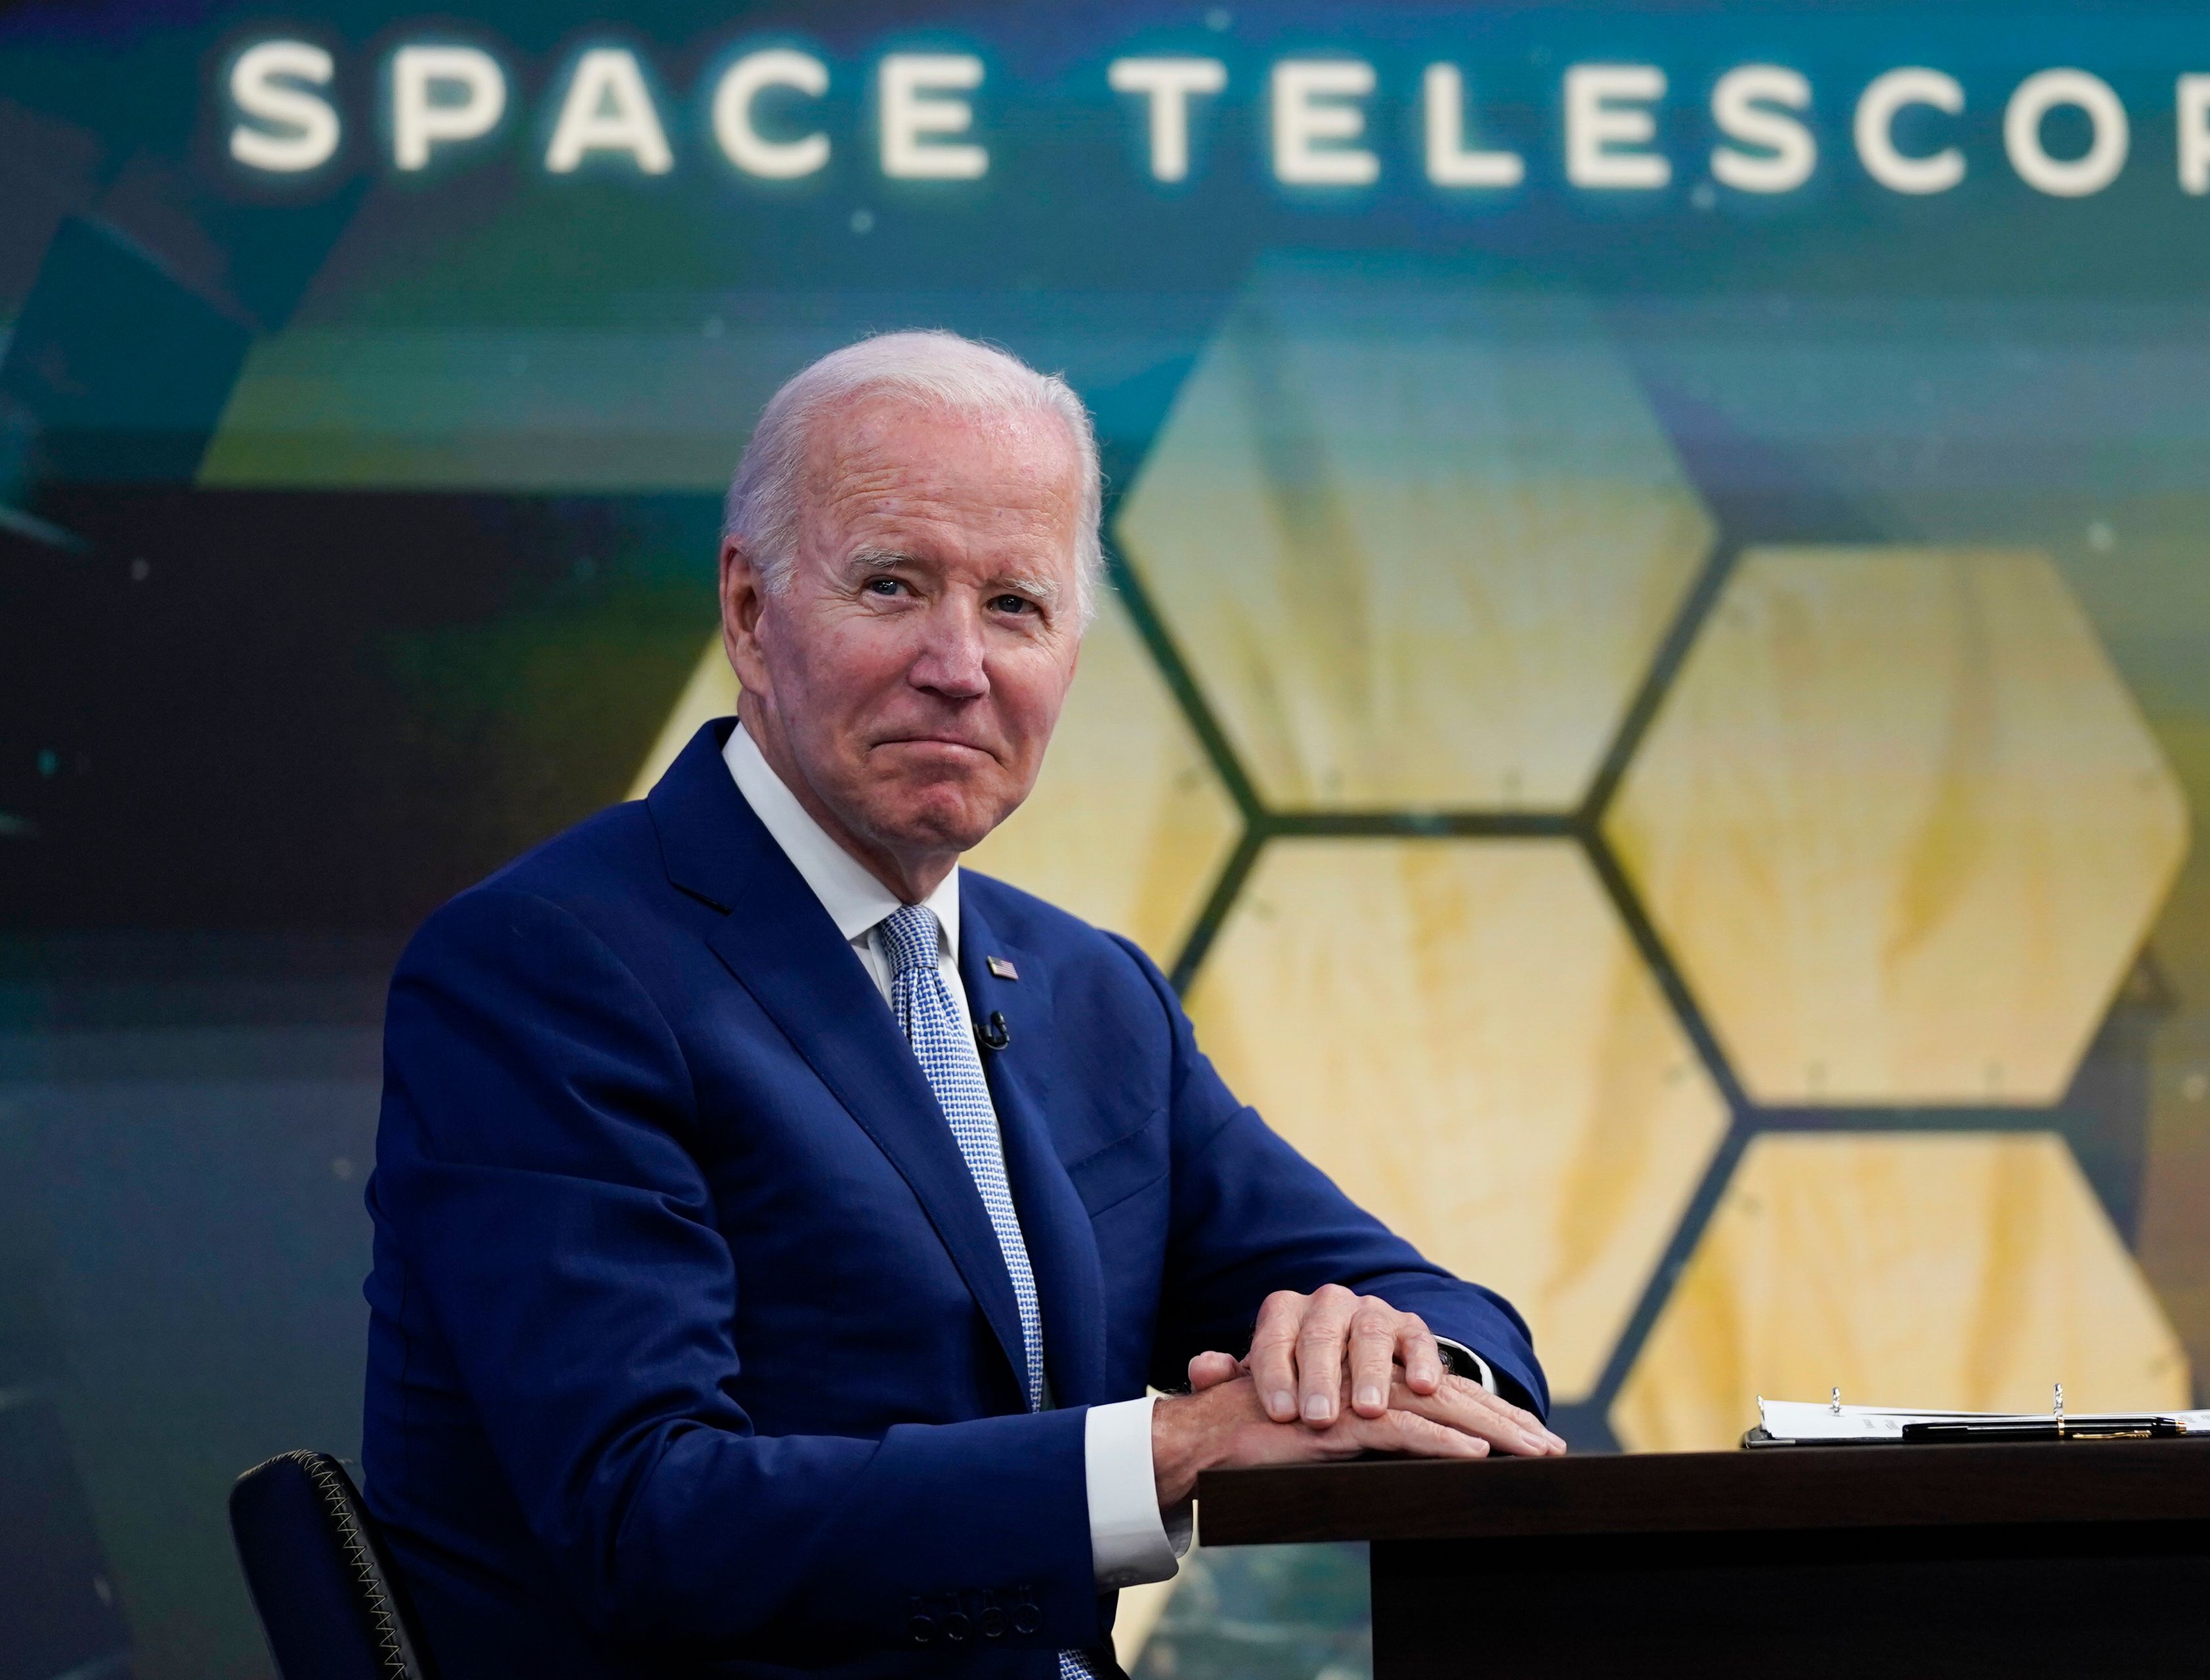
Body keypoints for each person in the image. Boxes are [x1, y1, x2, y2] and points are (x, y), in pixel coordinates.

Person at [362, 329, 1562, 1678]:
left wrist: (1397, 1352)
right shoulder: (548, 964)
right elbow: (649, 1515)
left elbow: (1444, 1304)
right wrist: (1168, 1450)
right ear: (751, 613)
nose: (959, 664)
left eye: (1016, 607)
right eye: (893, 585)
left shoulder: (1091, 992)